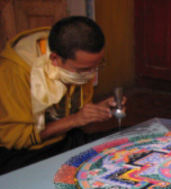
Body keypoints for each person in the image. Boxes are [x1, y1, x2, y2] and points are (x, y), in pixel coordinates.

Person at [0, 16, 123, 175]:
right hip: (25, 155)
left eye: (97, 66)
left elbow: (78, 121)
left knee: (128, 145)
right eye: (84, 69)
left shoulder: (81, 64)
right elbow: (18, 139)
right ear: (55, 59)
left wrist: (95, 112)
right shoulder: (14, 72)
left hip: (66, 141)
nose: (91, 74)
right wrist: (75, 119)